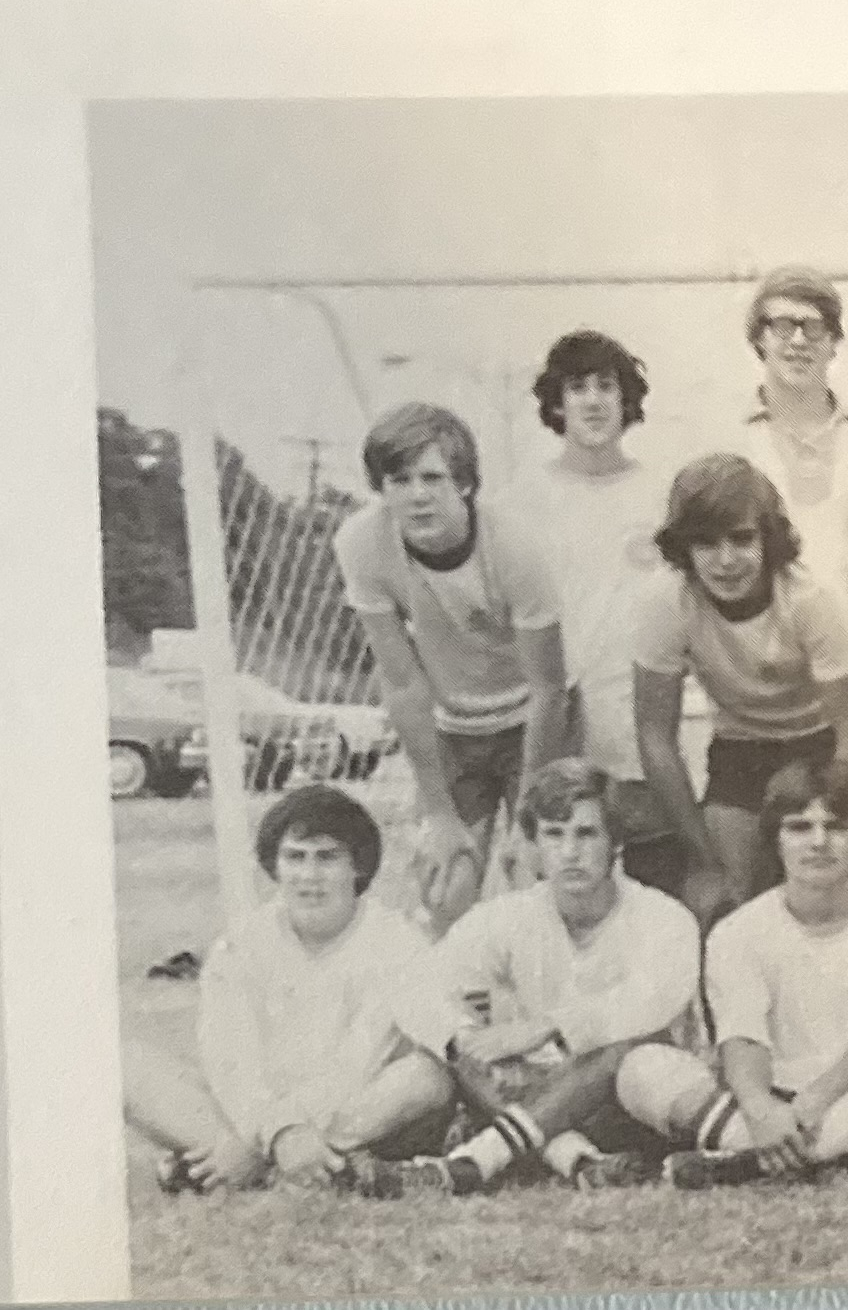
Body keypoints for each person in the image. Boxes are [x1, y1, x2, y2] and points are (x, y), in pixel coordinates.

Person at [351, 760, 702, 1197]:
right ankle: (578, 1161)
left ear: (615, 843)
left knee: (621, 1049)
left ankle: (470, 1165)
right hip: (536, 1100)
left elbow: (649, 1003)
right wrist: (462, 1040)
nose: (570, 852)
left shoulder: (663, 918)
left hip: (630, 1105)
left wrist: (546, 1027)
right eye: (554, 835)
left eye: (586, 834)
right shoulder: (509, 915)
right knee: (464, 1052)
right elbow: (417, 987)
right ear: (534, 845)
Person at [124, 786, 452, 1193]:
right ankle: (318, 1171)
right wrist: (275, 1133)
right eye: (295, 857)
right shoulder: (240, 945)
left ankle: (238, 1168)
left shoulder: (396, 942)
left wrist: (280, 1135)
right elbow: (231, 1064)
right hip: (254, 1114)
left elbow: (359, 1066)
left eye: (327, 858)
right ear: (274, 866)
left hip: (347, 1114)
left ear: (358, 868)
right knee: (127, 1066)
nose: (309, 876)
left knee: (425, 1077)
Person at [613, 759, 848, 1188]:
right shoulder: (738, 931)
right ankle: (830, 1154)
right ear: (775, 841)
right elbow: (741, 1036)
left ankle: (746, 1164)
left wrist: (814, 1103)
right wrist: (760, 1109)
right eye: (798, 827)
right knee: (640, 1068)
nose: (818, 841)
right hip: (773, 1103)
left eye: (835, 826)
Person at [333, 401, 565, 930]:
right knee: (445, 889)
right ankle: (455, 1010)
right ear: (381, 487)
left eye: (433, 478)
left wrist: (528, 816)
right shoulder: (361, 543)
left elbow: (548, 688)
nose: (417, 495)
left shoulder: (515, 546)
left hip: (536, 723)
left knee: (538, 883)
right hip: (455, 729)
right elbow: (402, 680)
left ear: (463, 483)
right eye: (400, 479)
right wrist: (438, 811)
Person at [635, 454, 848, 918]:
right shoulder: (667, 602)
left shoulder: (809, 601)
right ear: (684, 548)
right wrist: (704, 856)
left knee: (821, 889)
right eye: (706, 543)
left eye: (741, 539)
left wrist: (829, 819)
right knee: (716, 899)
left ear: (768, 538)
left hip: (819, 745)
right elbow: (654, 737)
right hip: (741, 748)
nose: (725, 561)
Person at [520, 329, 682, 893]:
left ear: (626, 399)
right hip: (557, 722)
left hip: (638, 724)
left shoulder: (663, 495)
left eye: (606, 386)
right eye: (577, 387)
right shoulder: (523, 499)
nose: (592, 400)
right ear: (557, 403)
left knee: (653, 883)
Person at [736, 266, 848, 613]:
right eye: (782, 326)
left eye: (813, 327)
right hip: (763, 651)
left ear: (833, 343)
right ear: (759, 339)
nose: (798, 341)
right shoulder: (732, 442)